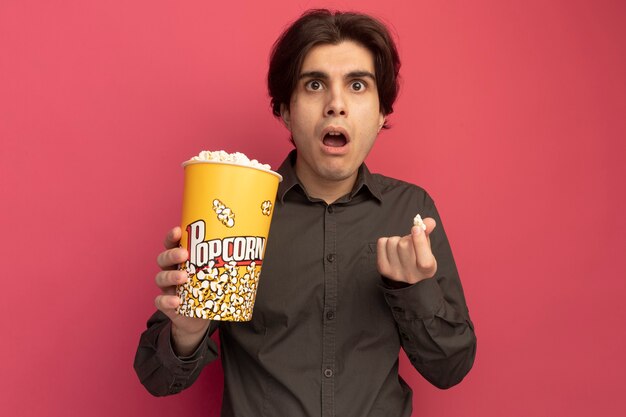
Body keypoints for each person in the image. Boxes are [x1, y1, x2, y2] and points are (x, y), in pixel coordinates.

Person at [134, 9, 476, 417]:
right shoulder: (234, 213)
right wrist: (186, 332)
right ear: (285, 111)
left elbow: (450, 367)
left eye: (357, 85)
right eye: (314, 84)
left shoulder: (411, 213)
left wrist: (414, 290)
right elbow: (155, 377)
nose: (336, 105)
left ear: (383, 111)